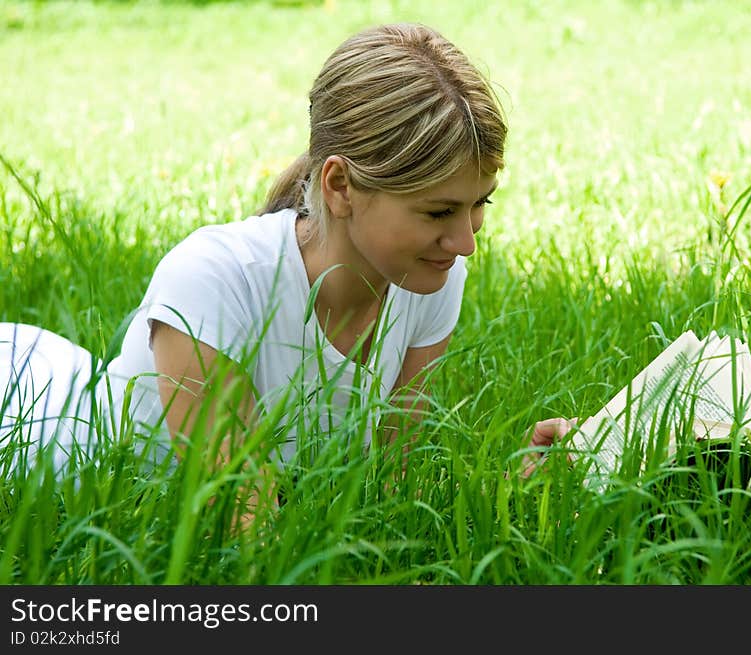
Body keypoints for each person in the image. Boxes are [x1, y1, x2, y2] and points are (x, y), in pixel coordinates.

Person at [1, 22, 573, 525]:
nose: (467, 242)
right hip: (33, 433)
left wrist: (513, 486)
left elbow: (392, 494)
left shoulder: (427, 276)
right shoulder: (211, 280)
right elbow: (251, 537)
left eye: (480, 205)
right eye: (438, 211)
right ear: (341, 186)